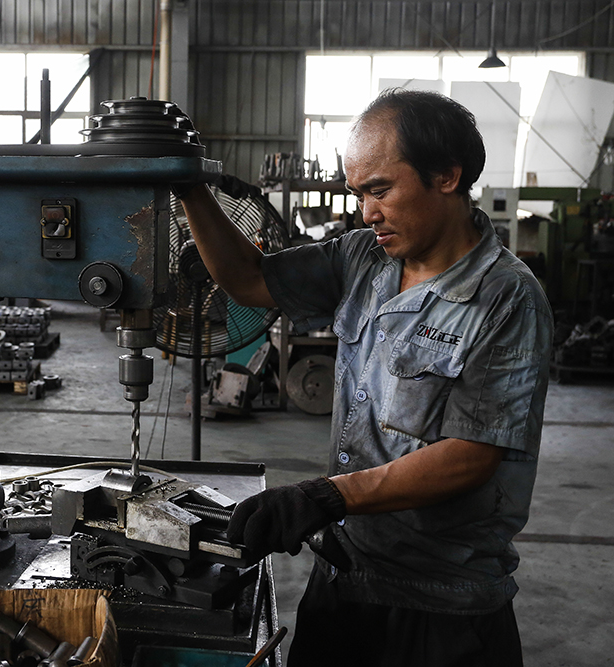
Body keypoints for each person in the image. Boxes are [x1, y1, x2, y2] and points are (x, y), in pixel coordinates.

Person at [175, 89, 553, 667]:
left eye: (380, 191)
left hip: (441, 607)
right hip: (344, 576)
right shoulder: (363, 258)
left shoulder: (507, 298)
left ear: (447, 176)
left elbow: (471, 455)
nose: (366, 213)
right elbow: (249, 280)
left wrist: (328, 496)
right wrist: (190, 188)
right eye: (358, 194)